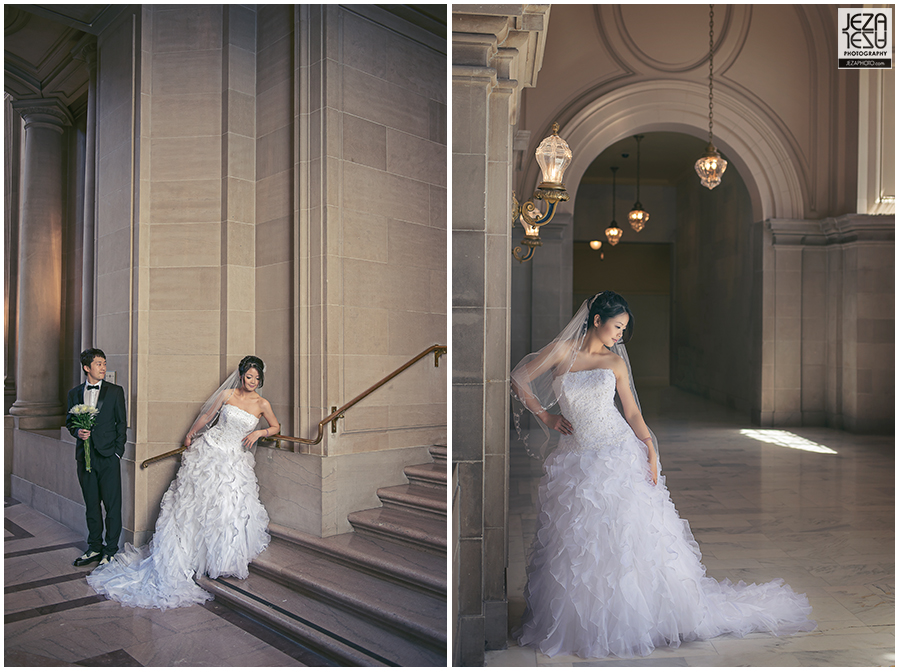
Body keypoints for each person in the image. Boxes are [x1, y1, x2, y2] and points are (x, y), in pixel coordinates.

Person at [510, 291, 815, 659]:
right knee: (580, 541)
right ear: (596, 320)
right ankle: (585, 616)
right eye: (616, 326)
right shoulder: (562, 351)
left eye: (624, 329)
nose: (620, 335)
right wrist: (545, 416)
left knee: (628, 537)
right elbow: (519, 377)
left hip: (617, 451)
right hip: (577, 458)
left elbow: (632, 412)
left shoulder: (615, 362)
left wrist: (650, 447)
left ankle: (635, 615)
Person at [86, 355, 279, 610]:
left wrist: (259, 432)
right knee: (193, 505)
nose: (252, 381)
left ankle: (220, 558)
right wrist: (190, 433)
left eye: (256, 378)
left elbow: (276, 426)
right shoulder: (227, 395)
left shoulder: (262, 403)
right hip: (209, 451)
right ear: (242, 375)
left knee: (227, 507)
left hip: (233, 460)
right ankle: (190, 555)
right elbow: (207, 416)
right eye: (248, 376)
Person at [67, 348, 127, 567]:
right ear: (86, 367)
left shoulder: (115, 391)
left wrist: (117, 452)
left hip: (109, 457)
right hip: (85, 457)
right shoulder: (74, 393)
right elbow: (69, 421)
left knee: (112, 506)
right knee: (91, 505)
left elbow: (122, 423)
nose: (103, 367)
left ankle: (111, 549)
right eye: (99, 364)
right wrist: (77, 432)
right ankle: (94, 547)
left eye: (104, 363)